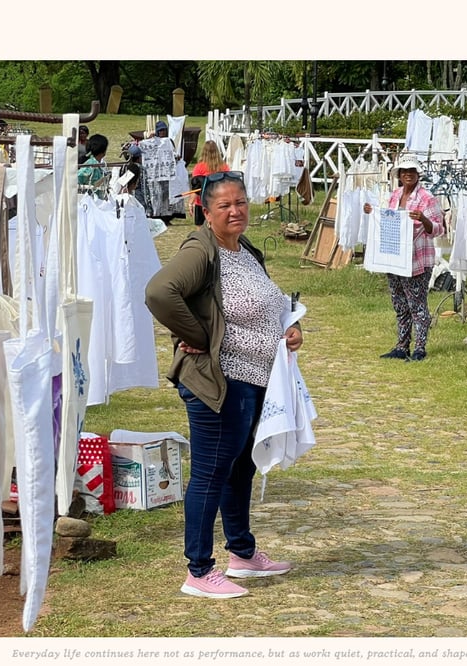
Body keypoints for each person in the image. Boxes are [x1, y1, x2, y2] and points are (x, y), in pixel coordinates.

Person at [145, 170, 301, 599]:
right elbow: (160, 292)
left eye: (241, 202)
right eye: (224, 205)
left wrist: (289, 330)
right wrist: (198, 336)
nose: (236, 211)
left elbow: (265, 304)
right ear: (206, 211)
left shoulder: (244, 247)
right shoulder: (201, 248)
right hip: (218, 381)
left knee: (239, 467)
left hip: (254, 379)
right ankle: (198, 570)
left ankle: (243, 554)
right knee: (212, 472)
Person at [362, 153, 445, 361]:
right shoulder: (395, 195)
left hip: (417, 260)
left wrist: (423, 218)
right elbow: (389, 221)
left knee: (417, 305)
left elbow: (438, 229)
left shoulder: (427, 199)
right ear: (399, 175)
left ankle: (420, 347)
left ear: (418, 175)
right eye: (404, 171)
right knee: (400, 303)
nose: (408, 175)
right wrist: (373, 213)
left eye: (412, 171)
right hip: (395, 258)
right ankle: (401, 346)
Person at [190, 140, 230, 226]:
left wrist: (191, 203)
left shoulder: (199, 167)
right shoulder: (224, 167)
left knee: (201, 232)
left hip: (201, 203)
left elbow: (195, 188)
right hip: (218, 201)